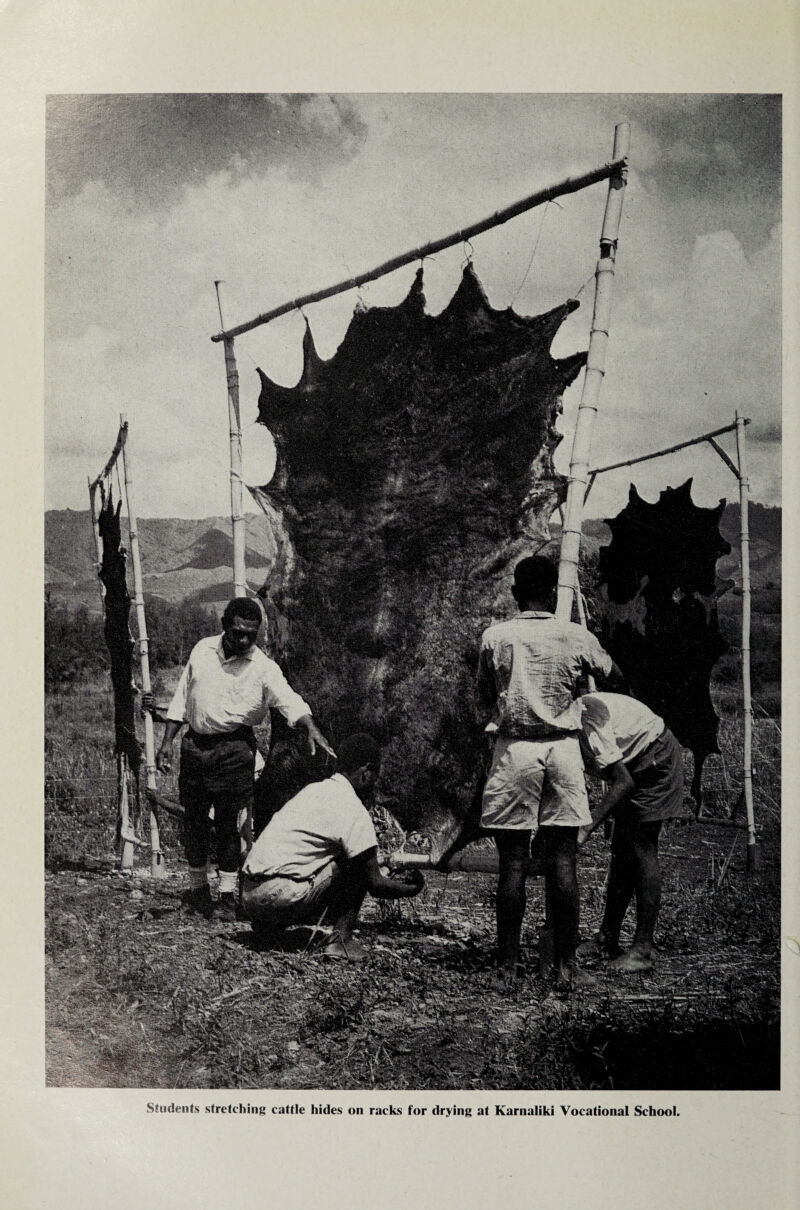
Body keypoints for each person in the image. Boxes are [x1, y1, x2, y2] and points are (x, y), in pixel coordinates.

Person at [150, 597, 335, 922]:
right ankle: (197, 894)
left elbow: (287, 697)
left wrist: (310, 727)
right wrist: (167, 743)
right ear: (225, 627)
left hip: (235, 751)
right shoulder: (202, 651)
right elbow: (182, 699)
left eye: (252, 634)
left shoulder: (262, 666)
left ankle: (226, 898)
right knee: (193, 821)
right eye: (238, 633)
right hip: (194, 747)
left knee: (227, 825)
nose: (245, 640)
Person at [476, 555, 615, 989]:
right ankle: (566, 966)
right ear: (555, 593)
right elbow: (612, 673)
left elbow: (483, 693)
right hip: (563, 750)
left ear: (516, 594)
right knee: (563, 859)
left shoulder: (496, 635)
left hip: (515, 749)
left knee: (512, 863)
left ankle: (506, 968)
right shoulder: (576, 634)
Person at [240, 733, 425, 959]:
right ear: (365, 772)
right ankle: (341, 941)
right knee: (353, 864)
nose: (374, 783)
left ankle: (267, 929)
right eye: (375, 776)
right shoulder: (353, 809)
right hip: (278, 897)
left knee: (316, 859)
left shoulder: (313, 791)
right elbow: (374, 883)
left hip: (248, 895)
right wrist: (410, 890)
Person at [576, 691, 685, 973]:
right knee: (622, 851)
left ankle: (642, 951)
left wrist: (586, 828)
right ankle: (607, 937)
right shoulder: (559, 721)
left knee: (641, 848)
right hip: (636, 757)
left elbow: (622, 781)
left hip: (655, 757)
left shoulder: (587, 721)